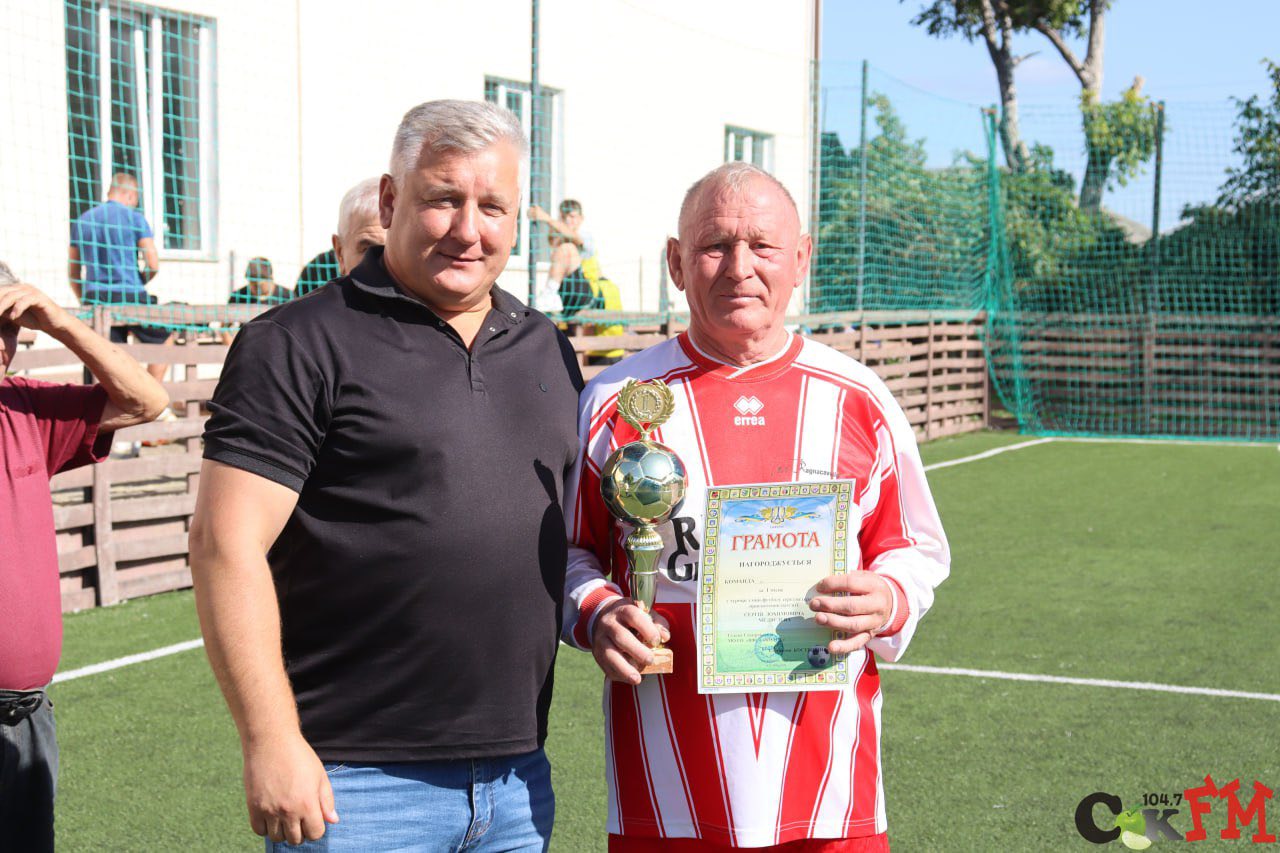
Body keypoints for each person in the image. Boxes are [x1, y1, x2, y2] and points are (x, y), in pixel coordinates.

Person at [189, 99, 583, 851]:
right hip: (355, 785)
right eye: (444, 198)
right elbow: (222, 544)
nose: (468, 229)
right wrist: (270, 739)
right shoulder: (296, 342)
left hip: (516, 779)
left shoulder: (544, 346)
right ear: (393, 199)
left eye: (493, 207)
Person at [562, 163, 950, 851]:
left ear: (800, 259)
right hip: (666, 797)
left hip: (830, 798)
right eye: (715, 245)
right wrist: (597, 612)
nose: (739, 267)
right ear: (677, 263)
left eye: (762, 245)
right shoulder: (615, 401)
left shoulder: (858, 398)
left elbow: (914, 548)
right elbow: (569, 551)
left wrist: (889, 597)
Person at [0, 261, 168, 852]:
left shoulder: (23, 408)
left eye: (8, 327)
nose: (0, 344)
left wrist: (62, 323)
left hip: (25, 721)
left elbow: (146, 402)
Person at [68, 172, 173, 382]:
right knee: (165, 338)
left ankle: (102, 401)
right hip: (130, 295)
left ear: (110, 192)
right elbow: (153, 264)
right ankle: (149, 394)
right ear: (131, 195)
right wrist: (140, 280)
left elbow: (73, 273)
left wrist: (85, 299)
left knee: (103, 356)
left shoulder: (83, 220)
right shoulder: (135, 218)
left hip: (95, 298)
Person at [294, 178, 388, 298]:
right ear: (340, 252)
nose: (383, 263)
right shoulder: (316, 271)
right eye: (367, 249)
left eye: (393, 249)